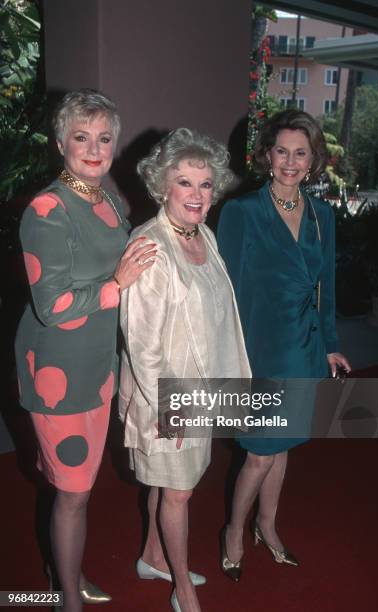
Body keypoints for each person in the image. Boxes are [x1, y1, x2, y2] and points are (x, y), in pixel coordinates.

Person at [15, 89, 156, 612]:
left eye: (104, 138)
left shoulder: (108, 201)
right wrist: (118, 283)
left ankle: (63, 571)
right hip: (59, 367)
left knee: (81, 486)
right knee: (73, 491)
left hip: (99, 365)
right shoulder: (47, 209)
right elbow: (52, 306)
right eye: (82, 137)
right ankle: (66, 598)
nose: (94, 149)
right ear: (60, 144)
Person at [119, 127, 251, 611]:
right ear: (162, 187)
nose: (197, 195)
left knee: (173, 484)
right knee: (178, 493)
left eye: (205, 184)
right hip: (168, 396)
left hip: (201, 389)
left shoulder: (204, 235)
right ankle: (184, 588)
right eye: (184, 183)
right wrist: (169, 405)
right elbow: (141, 344)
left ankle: (153, 557)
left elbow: (219, 319)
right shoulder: (150, 245)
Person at [217, 109, 351, 580]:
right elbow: (225, 291)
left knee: (283, 447)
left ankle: (268, 528)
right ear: (267, 154)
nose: (290, 162)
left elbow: (325, 286)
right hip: (259, 349)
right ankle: (235, 531)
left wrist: (331, 343)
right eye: (282, 151)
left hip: (304, 346)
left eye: (300, 153)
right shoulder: (242, 212)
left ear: (313, 159)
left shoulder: (322, 216)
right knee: (260, 451)